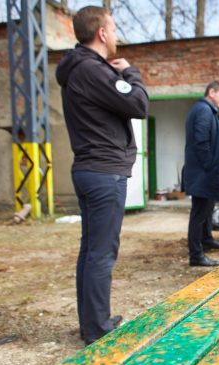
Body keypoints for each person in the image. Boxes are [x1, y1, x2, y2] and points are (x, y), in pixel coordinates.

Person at [56, 6, 149, 345]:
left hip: (89, 168)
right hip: (103, 172)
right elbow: (139, 104)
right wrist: (131, 73)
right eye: (114, 27)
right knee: (101, 252)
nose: (117, 35)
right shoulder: (93, 71)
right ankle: (96, 328)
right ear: (102, 33)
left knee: (91, 250)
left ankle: (93, 321)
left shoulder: (79, 70)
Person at [184, 81, 219, 267]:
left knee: (207, 209)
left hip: (204, 172)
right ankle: (196, 255)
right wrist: (210, 165)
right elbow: (201, 142)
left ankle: (206, 239)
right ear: (211, 92)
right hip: (202, 173)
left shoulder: (206, 110)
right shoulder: (203, 111)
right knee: (199, 213)